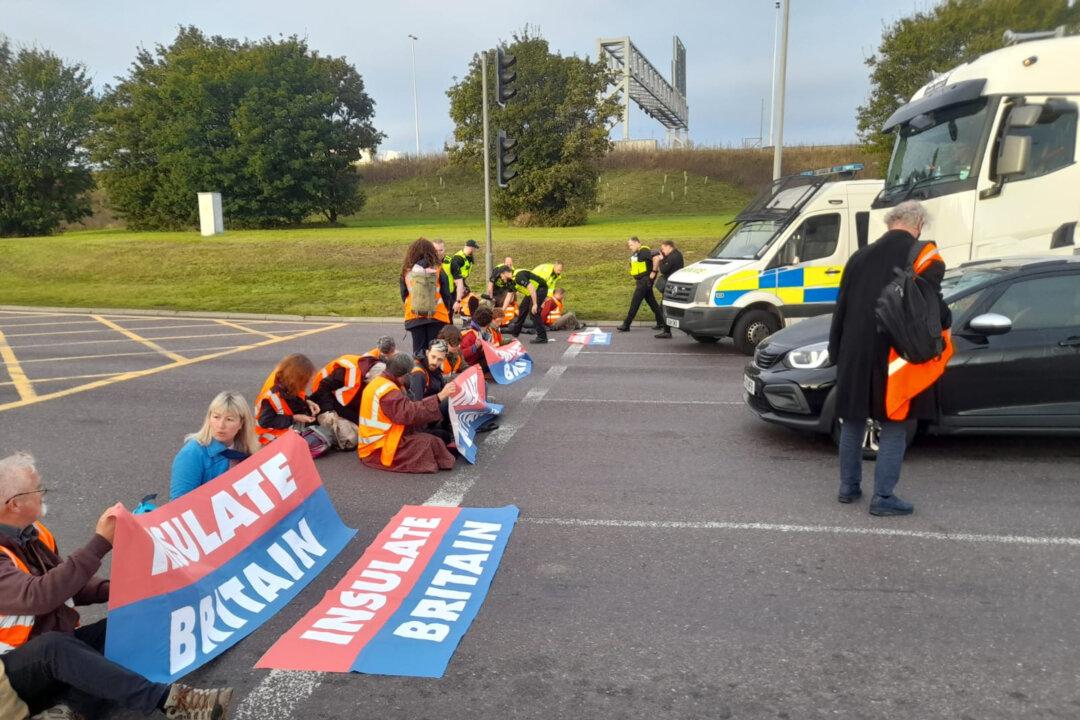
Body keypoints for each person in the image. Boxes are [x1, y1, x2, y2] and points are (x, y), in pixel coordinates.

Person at [0, 452, 232, 719]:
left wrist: (123, 590)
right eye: (38, 489)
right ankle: (175, 702)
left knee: (128, 624)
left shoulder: (34, 532)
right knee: (56, 649)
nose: (43, 493)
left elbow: (67, 585)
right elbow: (38, 595)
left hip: (46, 651)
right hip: (9, 675)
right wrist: (101, 542)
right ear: (15, 504)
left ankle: (68, 708)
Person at [827, 200, 950, 517]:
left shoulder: (858, 256)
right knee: (895, 423)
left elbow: (841, 308)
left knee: (853, 421)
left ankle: (848, 488)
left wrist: (835, 351)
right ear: (918, 223)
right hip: (898, 354)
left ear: (889, 223)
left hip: (855, 351)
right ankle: (883, 497)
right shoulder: (924, 255)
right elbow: (934, 309)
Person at [357, 353, 458, 473]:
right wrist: (439, 397)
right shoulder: (388, 392)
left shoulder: (381, 381)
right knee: (431, 442)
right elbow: (410, 413)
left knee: (439, 435)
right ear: (403, 375)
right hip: (379, 447)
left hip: (388, 435)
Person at [170, 391, 259, 500]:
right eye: (216, 417)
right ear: (209, 418)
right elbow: (179, 505)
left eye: (229, 419)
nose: (221, 425)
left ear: (241, 423)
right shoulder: (191, 454)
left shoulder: (250, 451)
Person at [401, 238, 452, 357]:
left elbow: (404, 293)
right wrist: (448, 308)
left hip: (414, 314)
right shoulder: (437, 269)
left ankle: (420, 373)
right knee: (435, 352)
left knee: (418, 352)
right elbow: (445, 292)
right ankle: (435, 374)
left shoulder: (406, 271)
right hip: (436, 314)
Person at [254, 353, 320, 445]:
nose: (310, 382)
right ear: (297, 379)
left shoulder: (289, 382)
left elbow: (297, 398)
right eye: (307, 380)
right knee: (308, 444)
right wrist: (294, 418)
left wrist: (308, 402)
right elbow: (265, 422)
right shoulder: (271, 397)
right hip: (270, 435)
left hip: (284, 427)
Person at [506, 262, 563, 344]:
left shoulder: (555, 275)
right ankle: (516, 331)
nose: (559, 272)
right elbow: (536, 284)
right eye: (558, 269)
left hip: (538, 289)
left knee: (534, 312)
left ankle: (542, 337)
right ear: (555, 266)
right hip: (535, 288)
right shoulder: (547, 270)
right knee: (522, 308)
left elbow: (548, 287)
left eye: (560, 270)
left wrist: (538, 302)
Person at [618, 237, 664, 332]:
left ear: (637, 243)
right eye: (629, 245)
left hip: (645, 281)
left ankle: (626, 324)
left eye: (631, 245)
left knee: (635, 302)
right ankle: (661, 322)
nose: (629, 247)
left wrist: (654, 272)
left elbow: (656, 258)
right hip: (642, 281)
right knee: (652, 303)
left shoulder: (644, 251)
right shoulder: (637, 253)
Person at [653, 240, 685, 338]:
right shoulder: (677, 254)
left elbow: (663, 270)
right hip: (675, 285)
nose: (662, 251)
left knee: (665, 307)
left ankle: (667, 331)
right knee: (669, 307)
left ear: (668, 247)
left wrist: (661, 259)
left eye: (663, 248)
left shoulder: (673, 257)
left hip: (671, 286)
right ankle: (666, 328)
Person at [442, 239, 480, 315]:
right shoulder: (458, 258)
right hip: (455, 282)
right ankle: (463, 315)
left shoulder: (468, 256)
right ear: (470, 248)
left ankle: (461, 314)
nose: (475, 250)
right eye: (474, 248)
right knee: (466, 299)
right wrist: (459, 285)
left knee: (469, 298)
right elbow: (454, 273)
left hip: (462, 280)